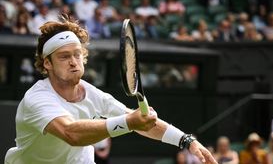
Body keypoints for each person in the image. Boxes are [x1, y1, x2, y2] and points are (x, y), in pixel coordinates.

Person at [4, 16, 217, 164]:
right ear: (47, 63)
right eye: (64, 56)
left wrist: (186, 140)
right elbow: (71, 133)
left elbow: (142, 123)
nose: (73, 61)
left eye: (77, 54)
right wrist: (128, 122)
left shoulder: (95, 95)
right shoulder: (37, 99)